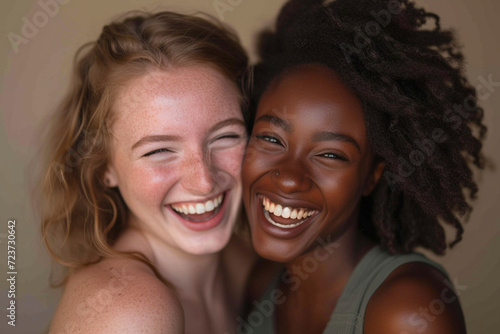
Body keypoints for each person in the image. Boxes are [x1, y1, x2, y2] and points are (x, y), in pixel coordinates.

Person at [242, 0, 486, 333]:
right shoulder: (261, 286)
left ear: (372, 176)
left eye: (330, 155)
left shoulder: (409, 312)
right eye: (271, 139)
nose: (288, 177)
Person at [38, 11, 256, 333]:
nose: (204, 181)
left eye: (225, 137)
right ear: (103, 167)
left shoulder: (243, 262)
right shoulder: (127, 311)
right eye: (159, 151)